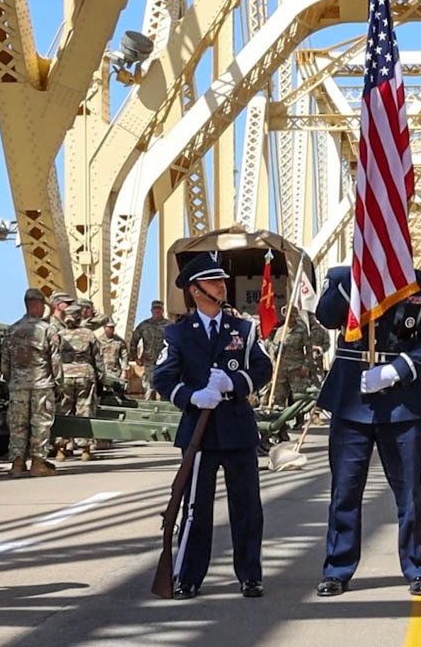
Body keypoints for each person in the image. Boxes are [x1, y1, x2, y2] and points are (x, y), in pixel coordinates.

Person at [314, 264, 421, 598]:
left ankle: (418, 567)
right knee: (345, 492)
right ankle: (337, 569)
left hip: (400, 400)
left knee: (409, 494)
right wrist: (351, 283)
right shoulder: (345, 277)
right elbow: (327, 316)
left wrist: (397, 369)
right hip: (351, 400)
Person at [153, 251, 273, 600]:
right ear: (195, 290)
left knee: (247, 507)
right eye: (213, 281)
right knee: (194, 510)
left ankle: (250, 575)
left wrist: (234, 383)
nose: (222, 286)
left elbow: (262, 370)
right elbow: (163, 376)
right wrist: (191, 397)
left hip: (236, 429)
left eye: (222, 280)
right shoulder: (177, 334)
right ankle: (188, 576)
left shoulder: (243, 329)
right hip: (199, 433)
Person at [2, 288, 63, 478]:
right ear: (37, 305)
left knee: (17, 425)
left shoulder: (12, 331)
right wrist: (58, 384)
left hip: (18, 385)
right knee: (40, 424)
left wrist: (12, 380)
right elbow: (55, 361)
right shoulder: (47, 330)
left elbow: (4, 364)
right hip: (41, 385)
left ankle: (17, 464)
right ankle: (38, 463)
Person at [55, 304, 105, 461]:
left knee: (64, 410)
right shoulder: (88, 334)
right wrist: (101, 377)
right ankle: (85, 449)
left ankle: (61, 449)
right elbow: (98, 357)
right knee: (84, 411)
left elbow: (54, 357)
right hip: (85, 375)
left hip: (65, 375)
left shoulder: (59, 334)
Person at [266, 306, 313, 408]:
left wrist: (306, 366)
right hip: (281, 369)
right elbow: (272, 349)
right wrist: (274, 364)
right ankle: (281, 422)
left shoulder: (302, 329)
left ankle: (299, 421)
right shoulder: (280, 331)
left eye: (291, 316)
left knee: (298, 397)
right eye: (287, 316)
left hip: (296, 368)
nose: (289, 318)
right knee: (279, 397)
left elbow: (309, 349)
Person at [130, 300, 170, 400]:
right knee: (149, 388)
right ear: (151, 310)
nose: (157, 311)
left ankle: (164, 411)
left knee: (163, 387)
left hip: (165, 361)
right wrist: (135, 357)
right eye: (155, 309)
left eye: (159, 309)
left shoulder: (170, 326)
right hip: (149, 361)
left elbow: (178, 342)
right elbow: (134, 340)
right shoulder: (144, 325)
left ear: (163, 310)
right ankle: (148, 412)